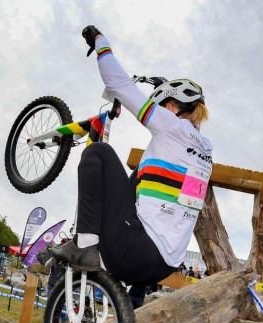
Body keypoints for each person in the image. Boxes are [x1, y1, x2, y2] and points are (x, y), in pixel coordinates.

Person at [51, 26, 212, 288]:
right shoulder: (205, 153)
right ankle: (127, 305)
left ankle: (86, 244)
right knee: (137, 178)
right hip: (160, 267)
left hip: (136, 249)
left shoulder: (171, 125)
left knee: (98, 152)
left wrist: (100, 42)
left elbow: (117, 83)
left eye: (160, 108)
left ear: (170, 107)